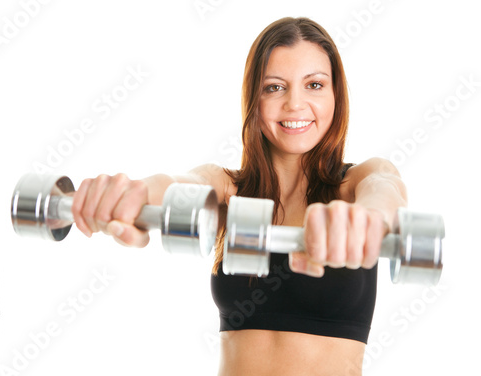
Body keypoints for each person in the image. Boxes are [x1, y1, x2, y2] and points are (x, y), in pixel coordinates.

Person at [71, 17, 407, 376]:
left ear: (335, 95)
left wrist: (369, 218)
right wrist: (132, 195)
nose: (295, 104)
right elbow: (180, 186)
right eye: (275, 87)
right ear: (255, 99)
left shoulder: (354, 186)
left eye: (314, 85)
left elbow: (386, 189)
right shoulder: (231, 191)